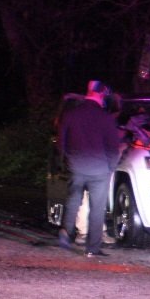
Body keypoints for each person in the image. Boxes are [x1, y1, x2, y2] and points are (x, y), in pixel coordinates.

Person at [58, 80, 121, 257]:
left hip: (76, 166)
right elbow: (112, 148)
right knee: (96, 208)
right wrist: (110, 167)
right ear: (101, 94)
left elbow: (61, 142)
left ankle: (66, 232)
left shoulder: (70, 114)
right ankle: (92, 249)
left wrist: (65, 162)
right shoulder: (105, 117)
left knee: (73, 200)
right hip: (99, 169)